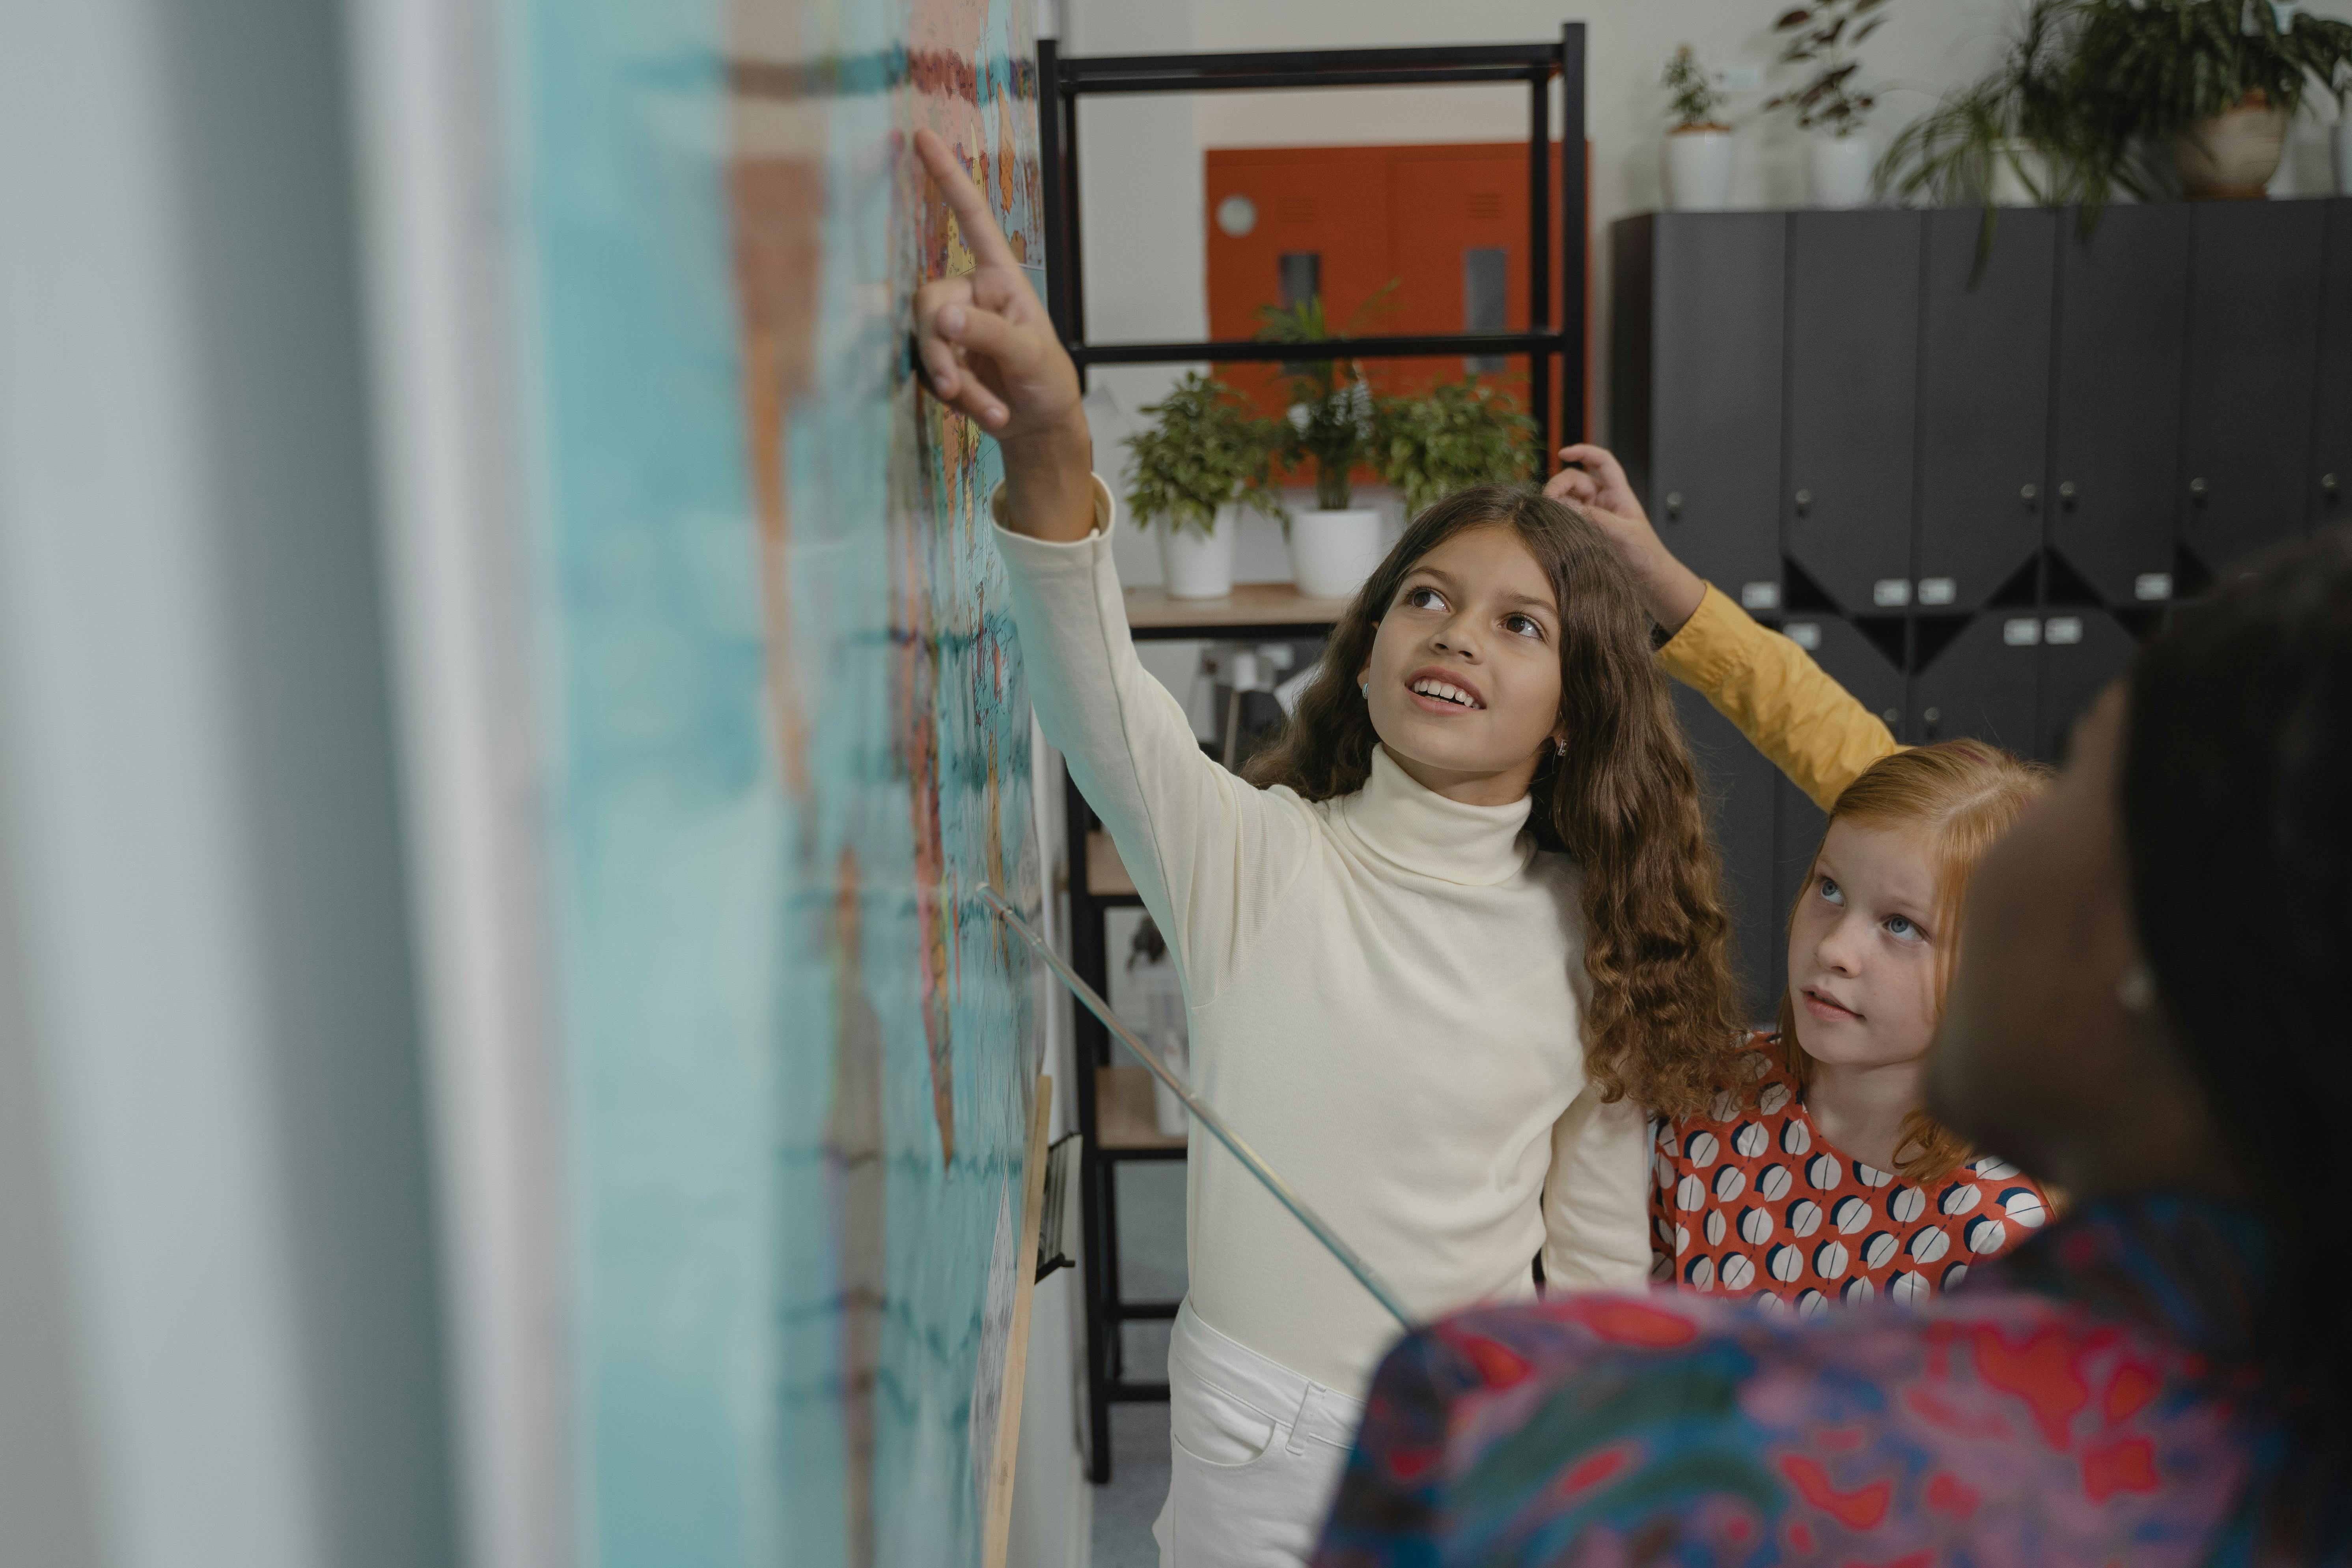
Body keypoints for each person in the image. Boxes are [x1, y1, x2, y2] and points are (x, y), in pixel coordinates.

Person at [908, 129, 1747, 1566]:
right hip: (1260, 1436)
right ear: (1364, 657)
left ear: (1573, 712)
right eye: (1426, 597)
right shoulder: (1259, 856)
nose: (1455, 635)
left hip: (1476, 1435)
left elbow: (1598, 1256)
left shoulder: (1598, 926)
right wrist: (1047, 438)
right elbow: (1098, 693)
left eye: (1517, 623)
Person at [1313, 522, 2352, 1563]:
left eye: (2079, 772)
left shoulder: (1490, 1429)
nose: (1844, 947)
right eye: (1827, 891)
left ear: (2149, 951)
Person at [1539, 446, 2055, 1307]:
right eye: (1826, 890)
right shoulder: (1708, 1104)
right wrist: (1658, 578)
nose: (1838, 950)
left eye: (1900, 926)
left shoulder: (1995, 1239)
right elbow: (1812, 723)